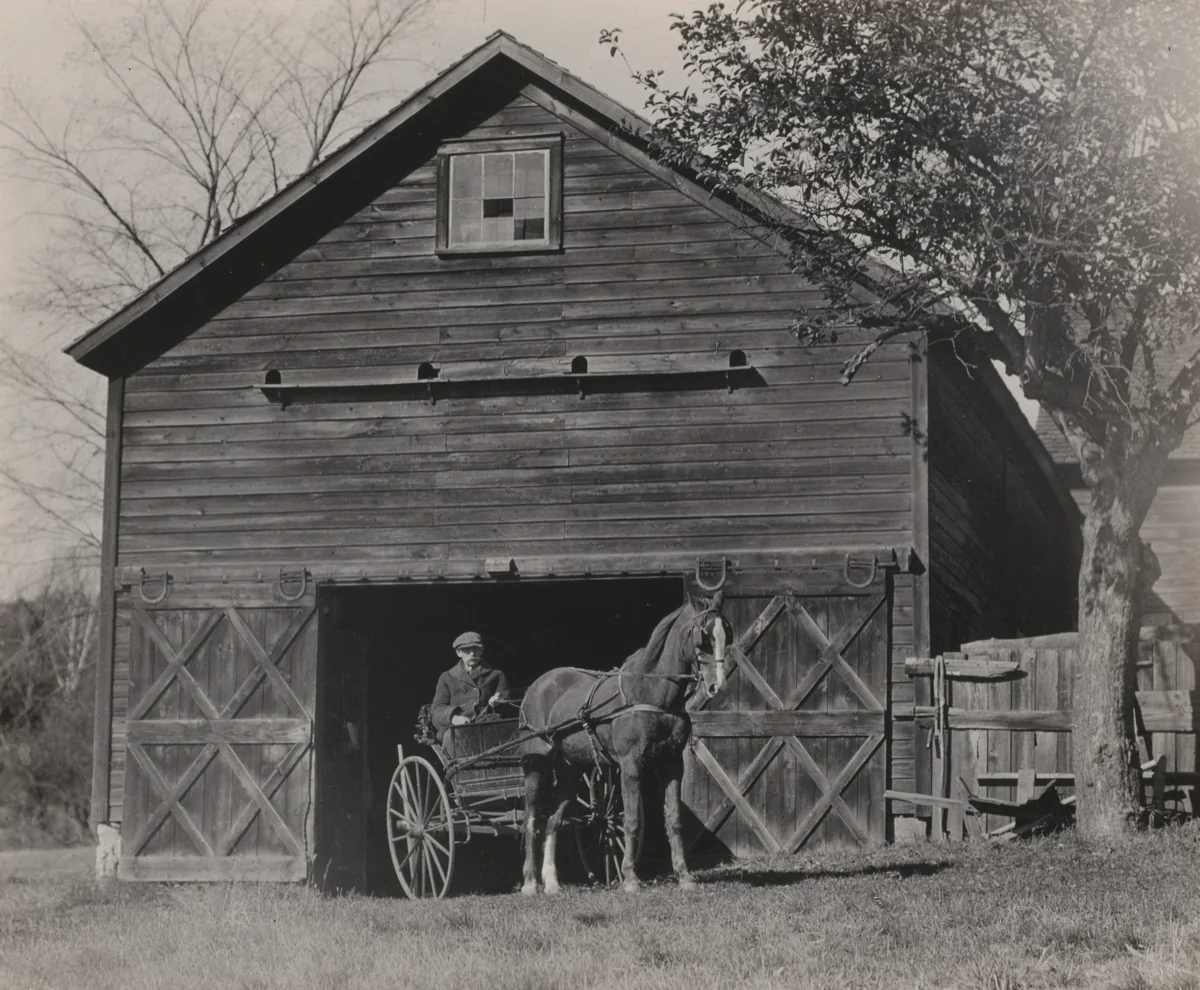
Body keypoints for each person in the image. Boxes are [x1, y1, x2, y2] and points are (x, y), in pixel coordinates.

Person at [429, 631, 511, 750]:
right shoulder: (447, 678)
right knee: (452, 738)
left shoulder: (497, 675)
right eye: (466, 650)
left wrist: (499, 702)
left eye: (476, 649)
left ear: (481, 651)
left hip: (489, 724)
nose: (472, 653)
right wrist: (454, 718)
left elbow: (506, 703)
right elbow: (437, 709)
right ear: (458, 652)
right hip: (458, 729)